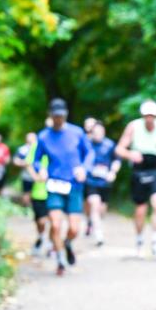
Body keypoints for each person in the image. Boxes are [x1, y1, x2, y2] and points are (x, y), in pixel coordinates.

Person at [33, 99, 94, 276]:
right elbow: (36, 159)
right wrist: (41, 169)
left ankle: (67, 243)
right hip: (54, 185)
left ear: (65, 115)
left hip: (73, 185)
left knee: (74, 228)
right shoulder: (44, 136)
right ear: (50, 116)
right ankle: (60, 259)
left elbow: (89, 152)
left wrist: (84, 168)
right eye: (55, 116)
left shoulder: (77, 133)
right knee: (55, 223)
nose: (58, 119)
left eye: (61, 116)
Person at [115, 99, 156, 260]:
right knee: (141, 209)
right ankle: (139, 242)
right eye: (146, 116)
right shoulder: (133, 127)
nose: (149, 119)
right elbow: (119, 149)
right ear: (143, 116)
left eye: (152, 116)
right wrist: (130, 154)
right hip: (139, 169)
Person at [83, 121, 121, 246]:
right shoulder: (87, 145)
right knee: (94, 204)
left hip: (105, 181)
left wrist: (113, 172)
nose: (97, 135)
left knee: (102, 209)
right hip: (91, 181)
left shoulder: (110, 145)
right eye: (95, 132)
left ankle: (93, 222)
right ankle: (98, 233)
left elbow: (117, 160)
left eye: (100, 132)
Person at [13, 132, 38, 207]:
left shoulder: (40, 148)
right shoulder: (22, 149)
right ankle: (26, 207)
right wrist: (25, 163)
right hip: (26, 175)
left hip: (39, 175)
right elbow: (15, 161)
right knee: (26, 192)